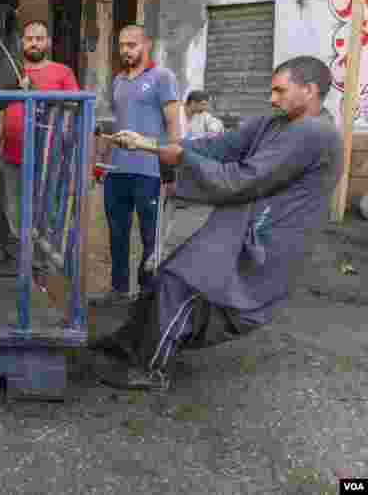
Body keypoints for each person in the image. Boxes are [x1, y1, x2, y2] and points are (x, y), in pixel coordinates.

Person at [91, 55, 342, 391]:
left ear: (310, 90)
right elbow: (221, 146)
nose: (272, 98)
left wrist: (180, 158)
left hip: (268, 242)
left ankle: (151, 369)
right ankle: (130, 341)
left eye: (280, 90)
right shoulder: (275, 122)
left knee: (181, 284)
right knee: (166, 273)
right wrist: (151, 144)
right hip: (243, 224)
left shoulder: (315, 134)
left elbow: (242, 179)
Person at [96, 25, 181, 303]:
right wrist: (101, 161)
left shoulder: (162, 77)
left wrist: (172, 168)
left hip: (150, 171)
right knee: (117, 233)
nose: (126, 50)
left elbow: (173, 125)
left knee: (149, 237)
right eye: (122, 45)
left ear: (147, 45)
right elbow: (116, 123)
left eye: (132, 45)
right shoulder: (118, 80)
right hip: (117, 171)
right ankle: (119, 289)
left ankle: (147, 295)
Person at [0, 20, 80, 242]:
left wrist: (35, 91)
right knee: (14, 214)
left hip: (48, 158)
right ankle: (26, 265)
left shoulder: (62, 72)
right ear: (22, 42)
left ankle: (41, 269)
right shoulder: (9, 71)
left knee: (46, 215)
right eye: (29, 39)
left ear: (49, 43)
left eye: (39, 39)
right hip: (11, 155)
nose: (34, 43)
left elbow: (74, 108)